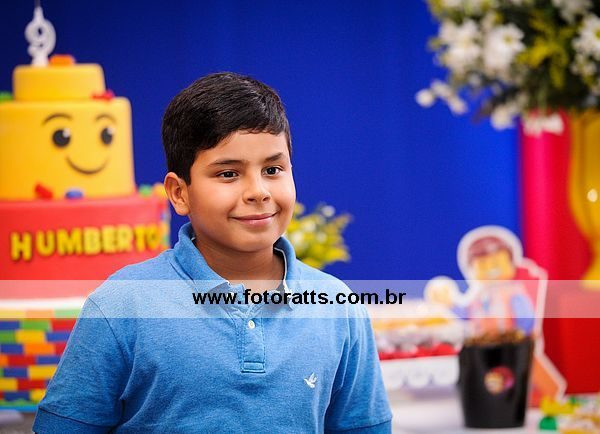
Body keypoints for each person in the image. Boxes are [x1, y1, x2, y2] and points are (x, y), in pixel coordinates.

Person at [33, 72, 392, 433]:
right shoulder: (122, 304)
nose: (258, 191)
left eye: (273, 169)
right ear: (179, 193)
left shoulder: (338, 307)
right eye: (228, 174)